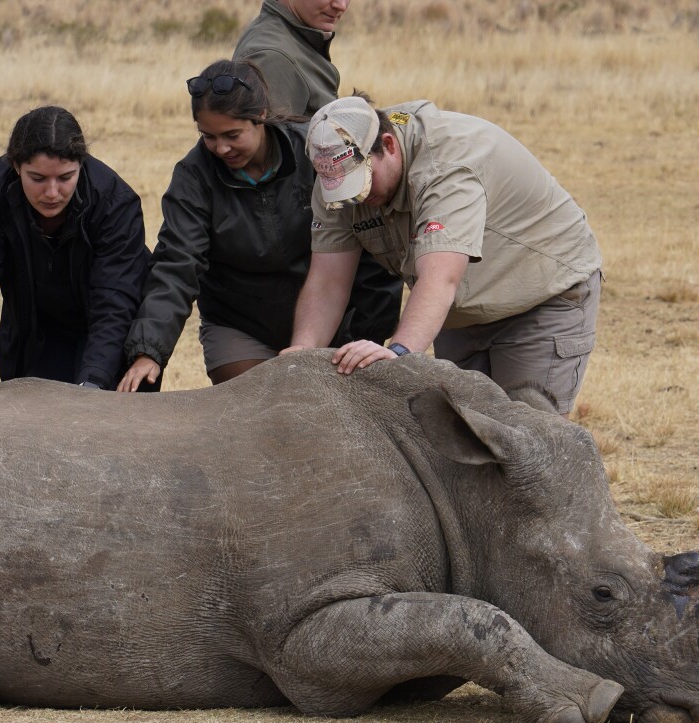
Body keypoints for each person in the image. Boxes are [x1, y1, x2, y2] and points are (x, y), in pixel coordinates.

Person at [285, 94, 604, 416]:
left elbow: (441, 277)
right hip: (462, 308)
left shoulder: (444, 167)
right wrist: (301, 354)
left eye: (363, 182)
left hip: (540, 295)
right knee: (461, 434)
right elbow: (327, 280)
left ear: (389, 145)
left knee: (525, 436)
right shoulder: (338, 176)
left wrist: (397, 352)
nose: (357, 196)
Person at [116, 60, 321, 390]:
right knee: (258, 405)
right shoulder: (193, 176)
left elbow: (358, 245)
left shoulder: (314, 151)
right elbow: (177, 263)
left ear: (262, 116)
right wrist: (149, 350)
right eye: (208, 136)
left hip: (324, 315)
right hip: (238, 322)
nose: (221, 148)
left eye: (232, 135)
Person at [0, 106, 150, 396]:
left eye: (65, 178)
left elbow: (115, 300)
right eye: (38, 179)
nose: (52, 193)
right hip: (35, 328)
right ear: (15, 166)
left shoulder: (116, 202)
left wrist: (93, 382)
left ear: (82, 165)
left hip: (113, 329)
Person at [233, 0, 402, 346]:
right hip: (322, 246)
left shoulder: (298, 39)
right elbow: (274, 182)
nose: (340, 5)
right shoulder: (273, 56)